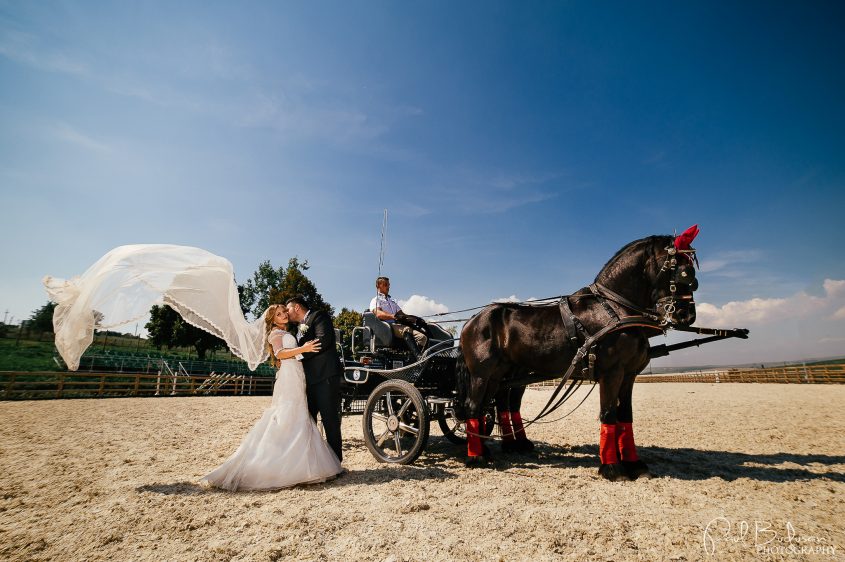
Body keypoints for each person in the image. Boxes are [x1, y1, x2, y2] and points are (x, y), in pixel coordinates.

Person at [201, 305, 342, 491]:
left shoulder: (285, 331)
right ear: (272, 320)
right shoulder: (275, 334)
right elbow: (280, 354)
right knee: (288, 415)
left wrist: (302, 351)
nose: (284, 315)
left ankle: (302, 465)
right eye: (279, 314)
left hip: (297, 374)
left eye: (284, 312)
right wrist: (305, 348)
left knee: (299, 415)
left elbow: (293, 354)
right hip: (289, 376)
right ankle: (277, 464)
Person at [286, 295, 344, 462]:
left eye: (288, 308)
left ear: (297, 307)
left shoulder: (319, 316)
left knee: (329, 420)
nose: (286, 312)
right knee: (308, 421)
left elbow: (322, 341)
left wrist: (298, 353)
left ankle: (335, 462)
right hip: (309, 381)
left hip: (325, 377)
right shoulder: (298, 328)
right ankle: (310, 461)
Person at [369, 276, 427, 356]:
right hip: (386, 327)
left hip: (398, 326)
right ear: (378, 286)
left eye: (388, 284)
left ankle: (412, 359)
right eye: (385, 284)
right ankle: (419, 358)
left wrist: (415, 319)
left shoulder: (392, 301)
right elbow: (378, 313)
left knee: (422, 337)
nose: (388, 286)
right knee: (406, 329)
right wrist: (393, 316)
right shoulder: (375, 300)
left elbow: (402, 315)